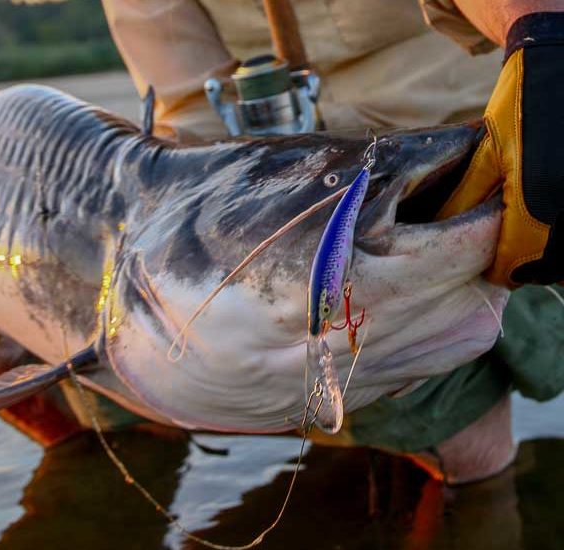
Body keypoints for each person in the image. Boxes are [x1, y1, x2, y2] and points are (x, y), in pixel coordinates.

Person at [99, 0, 564, 483]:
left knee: (464, 439)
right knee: (97, 379)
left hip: (490, 169)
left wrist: (540, 29)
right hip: (294, 222)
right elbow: (194, 122)